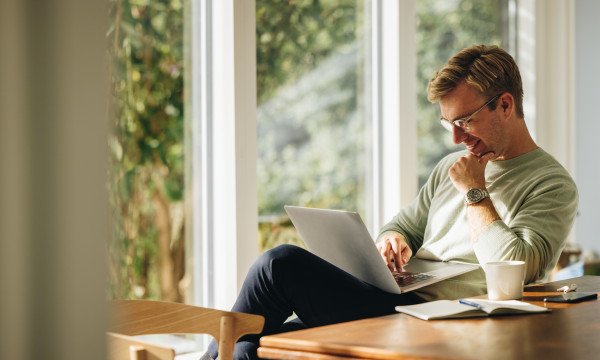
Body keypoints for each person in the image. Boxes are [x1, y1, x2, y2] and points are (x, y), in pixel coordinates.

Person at [202, 45, 578, 360]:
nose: (455, 139)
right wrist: (392, 240)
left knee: (278, 264)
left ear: (506, 105)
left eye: (465, 121)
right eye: (449, 125)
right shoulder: (451, 167)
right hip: (394, 298)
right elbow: (403, 226)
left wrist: (475, 192)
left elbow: (520, 268)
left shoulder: (552, 184)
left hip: (445, 318)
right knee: (251, 348)